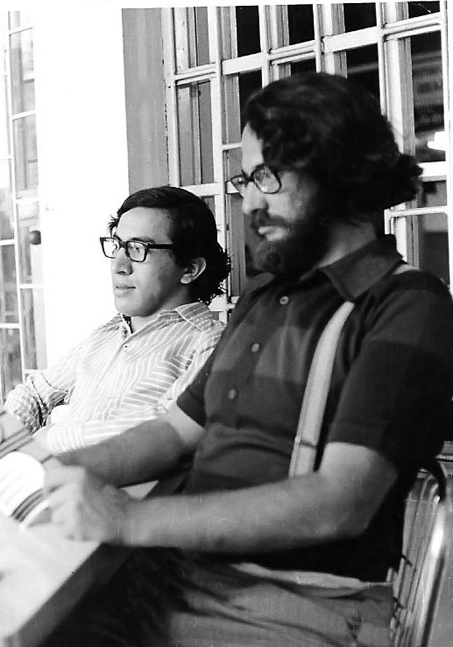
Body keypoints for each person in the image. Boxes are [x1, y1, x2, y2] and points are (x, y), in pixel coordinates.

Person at [43, 72, 453, 647]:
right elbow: (174, 432)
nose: (249, 201)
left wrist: (126, 520)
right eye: (246, 179)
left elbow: (339, 503)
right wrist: (49, 473)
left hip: (293, 607)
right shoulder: (263, 297)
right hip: (179, 579)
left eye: (266, 177)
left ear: (342, 173)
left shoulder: (405, 305)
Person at [5, 185, 230, 454]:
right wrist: (2, 440)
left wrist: (49, 440)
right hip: (45, 470)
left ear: (190, 268)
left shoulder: (209, 344)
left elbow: (167, 427)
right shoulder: (107, 335)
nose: (118, 265)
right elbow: (34, 393)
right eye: (118, 246)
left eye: (138, 248)